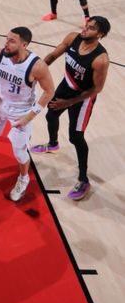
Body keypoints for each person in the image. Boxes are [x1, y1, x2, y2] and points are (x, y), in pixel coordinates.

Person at [0, 27, 55, 202]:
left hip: (21, 113)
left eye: (12, 41)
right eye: (6, 39)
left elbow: (49, 91)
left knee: (20, 151)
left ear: (24, 45)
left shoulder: (37, 66)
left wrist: (30, 116)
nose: (6, 44)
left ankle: (23, 179)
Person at [32, 17, 110, 201]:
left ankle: (83, 180)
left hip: (83, 98)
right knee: (51, 115)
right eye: (86, 25)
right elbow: (52, 56)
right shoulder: (72, 38)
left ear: (100, 34)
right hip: (66, 85)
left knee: (75, 136)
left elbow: (96, 89)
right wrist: (34, 73)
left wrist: (67, 103)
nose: (85, 29)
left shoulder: (100, 59)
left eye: (91, 28)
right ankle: (53, 144)